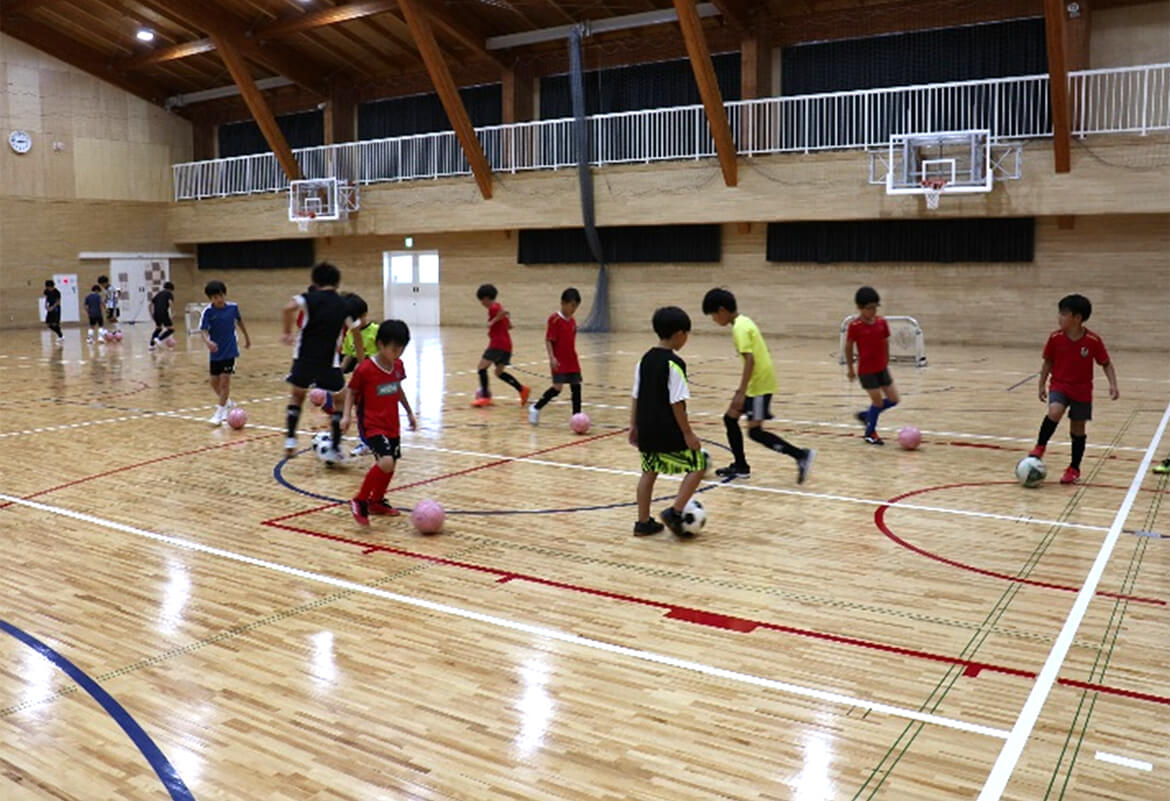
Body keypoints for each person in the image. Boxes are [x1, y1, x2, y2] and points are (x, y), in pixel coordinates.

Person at [701, 288, 815, 484]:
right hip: (757, 383)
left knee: (755, 431)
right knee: (730, 419)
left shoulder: (739, 328)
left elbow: (750, 360)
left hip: (759, 385)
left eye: (712, 315)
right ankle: (741, 466)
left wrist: (741, 392)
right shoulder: (743, 321)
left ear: (721, 310)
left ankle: (800, 455)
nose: (713, 319)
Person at [629, 306, 708, 537]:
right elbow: (677, 404)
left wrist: (633, 426)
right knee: (698, 465)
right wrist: (688, 434)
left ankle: (643, 523)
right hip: (667, 430)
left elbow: (635, 395)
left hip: (646, 428)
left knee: (649, 471)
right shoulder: (675, 364)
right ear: (680, 334)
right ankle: (675, 512)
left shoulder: (643, 360)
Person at [1028, 294, 1119, 485]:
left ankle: (1074, 468)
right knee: (1055, 411)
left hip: (1082, 390)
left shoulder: (1093, 340)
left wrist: (1113, 384)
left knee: (1078, 429)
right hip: (1059, 384)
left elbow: (1106, 363)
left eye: (1063, 314)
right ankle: (1040, 446)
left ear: (1077, 318)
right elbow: (1047, 363)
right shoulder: (1055, 338)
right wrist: (1041, 384)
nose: (1059, 317)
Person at [281, 262, 363, 460]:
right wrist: (361, 359)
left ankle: (290, 441)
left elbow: (288, 308)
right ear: (337, 282)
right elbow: (356, 331)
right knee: (339, 400)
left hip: (304, 357)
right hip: (328, 361)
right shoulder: (344, 304)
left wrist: (286, 332)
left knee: (297, 397)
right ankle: (335, 445)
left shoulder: (308, 298)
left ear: (314, 281)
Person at [341, 319, 418, 525]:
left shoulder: (398, 366)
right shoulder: (365, 369)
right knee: (385, 462)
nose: (398, 353)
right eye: (394, 349)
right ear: (381, 345)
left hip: (392, 424)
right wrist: (347, 415)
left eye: (401, 349)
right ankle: (360, 500)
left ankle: (376, 501)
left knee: (390, 467)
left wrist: (409, 412)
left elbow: (397, 389)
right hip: (372, 424)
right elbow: (351, 391)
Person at [844, 286, 900, 445]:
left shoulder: (882, 322)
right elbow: (848, 347)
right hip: (866, 371)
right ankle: (870, 434)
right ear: (860, 308)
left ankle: (866, 415)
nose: (873, 311)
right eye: (869, 308)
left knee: (894, 399)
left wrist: (886, 359)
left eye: (876, 307)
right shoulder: (855, 326)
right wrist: (850, 369)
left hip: (881, 368)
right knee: (878, 403)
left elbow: (885, 340)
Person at [198, 280, 251, 425]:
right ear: (210, 299)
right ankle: (227, 402)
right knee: (214, 383)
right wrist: (208, 342)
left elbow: (240, 322)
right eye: (215, 297)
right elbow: (202, 330)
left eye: (220, 296)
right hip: (215, 352)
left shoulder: (233, 308)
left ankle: (219, 413)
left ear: (224, 295)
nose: (219, 299)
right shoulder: (208, 312)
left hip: (230, 350)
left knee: (225, 382)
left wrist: (246, 337)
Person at [529, 287, 583, 425]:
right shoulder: (554, 320)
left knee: (576, 386)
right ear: (563, 303)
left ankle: (576, 417)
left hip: (572, 359)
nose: (574, 309)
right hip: (559, 360)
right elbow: (548, 340)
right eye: (572, 305)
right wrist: (552, 357)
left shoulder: (572, 321)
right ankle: (536, 407)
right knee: (557, 388)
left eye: (576, 306)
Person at [471, 283, 529, 408]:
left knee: (481, 368)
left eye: (481, 300)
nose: (482, 303)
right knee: (498, 372)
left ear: (486, 298)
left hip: (497, 344)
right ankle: (522, 389)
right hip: (506, 345)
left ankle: (485, 398)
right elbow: (509, 325)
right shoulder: (498, 307)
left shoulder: (493, 308)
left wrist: (492, 322)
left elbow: (504, 313)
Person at [149, 281, 175, 349]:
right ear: (171, 289)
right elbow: (170, 302)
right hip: (163, 313)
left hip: (156, 313)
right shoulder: (169, 293)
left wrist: (151, 314)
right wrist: (172, 312)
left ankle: (151, 345)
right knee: (171, 329)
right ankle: (159, 339)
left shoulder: (158, 294)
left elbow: (150, 304)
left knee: (158, 328)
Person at [43, 279, 64, 346]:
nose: (47, 288)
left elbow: (58, 301)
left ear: (51, 286)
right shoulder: (46, 291)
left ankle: (60, 335)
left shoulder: (57, 292)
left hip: (56, 308)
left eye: (48, 287)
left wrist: (53, 307)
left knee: (55, 323)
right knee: (48, 324)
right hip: (50, 306)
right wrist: (46, 305)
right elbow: (46, 298)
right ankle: (59, 333)